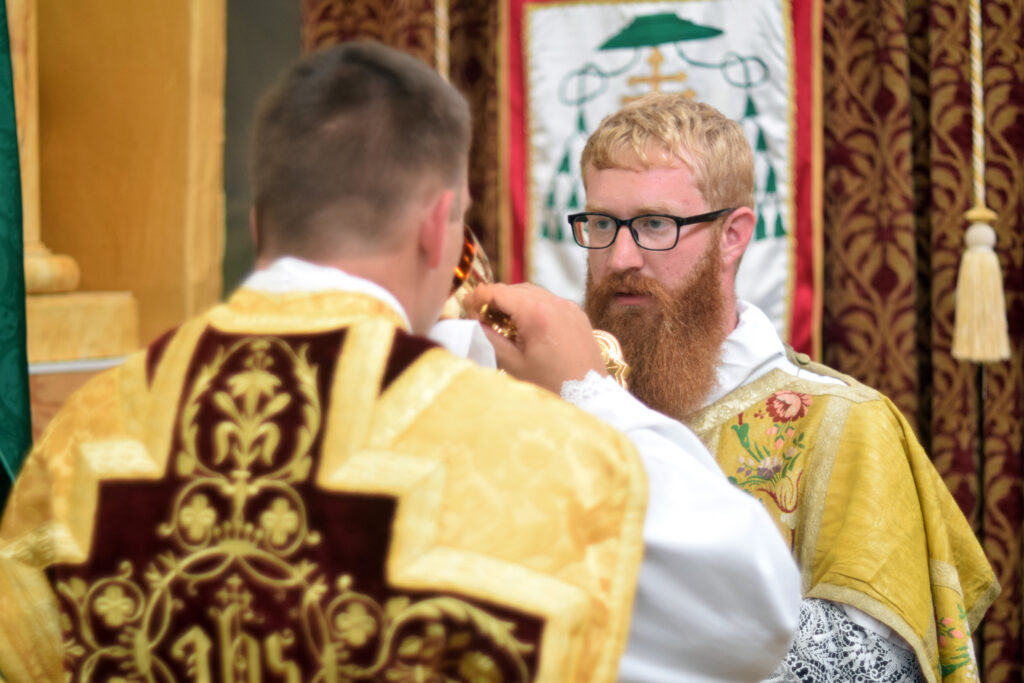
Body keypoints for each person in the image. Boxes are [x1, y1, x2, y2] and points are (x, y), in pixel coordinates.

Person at [0, 44, 800, 682]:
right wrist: (589, 388)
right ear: (436, 226)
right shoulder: (515, 447)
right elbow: (753, 610)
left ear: (261, 221)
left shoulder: (87, 435)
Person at [473, 92, 999, 682]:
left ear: (733, 235)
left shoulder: (843, 423)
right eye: (601, 224)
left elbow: (869, 671)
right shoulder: (534, 409)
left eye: (654, 225)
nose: (620, 258)